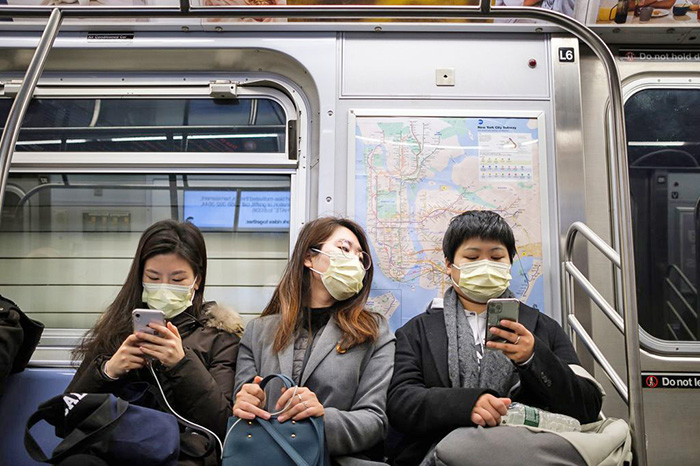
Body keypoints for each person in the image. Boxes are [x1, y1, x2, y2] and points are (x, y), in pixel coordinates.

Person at [387, 211, 603, 466]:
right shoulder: (418, 331)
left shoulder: (542, 328)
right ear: (449, 265)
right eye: (472, 257)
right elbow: (401, 402)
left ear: (509, 262)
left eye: (497, 256)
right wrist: (467, 405)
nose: (486, 265)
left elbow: (587, 406)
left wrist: (534, 358)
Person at [67, 219, 243, 465]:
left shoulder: (220, 338)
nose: (164, 288)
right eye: (153, 277)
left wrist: (182, 364)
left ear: (197, 281)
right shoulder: (116, 330)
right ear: (140, 277)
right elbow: (68, 413)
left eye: (178, 279)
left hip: (183, 451)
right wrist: (109, 371)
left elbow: (222, 426)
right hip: (115, 445)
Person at [233, 217, 395, 464]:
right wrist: (246, 403)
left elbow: (375, 421)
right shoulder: (258, 331)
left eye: (361, 257)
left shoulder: (374, 331)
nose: (355, 261)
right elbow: (241, 405)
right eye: (344, 249)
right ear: (309, 257)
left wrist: (321, 418)